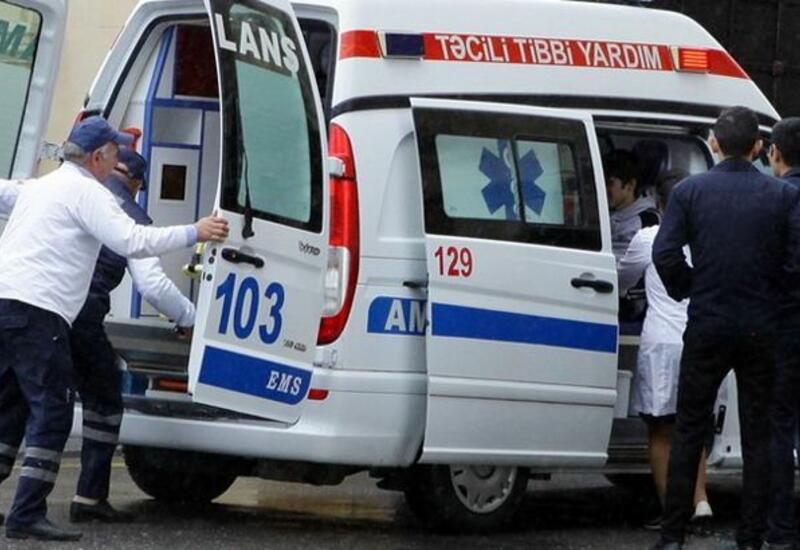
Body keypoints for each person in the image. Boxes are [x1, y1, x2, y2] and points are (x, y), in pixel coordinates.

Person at [0, 116, 228, 541]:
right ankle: (26, 514)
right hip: (40, 310)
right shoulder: (91, 193)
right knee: (52, 411)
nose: (115, 159)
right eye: (114, 152)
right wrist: (194, 232)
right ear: (98, 157)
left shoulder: (42, 186)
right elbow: (132, 242)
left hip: (5, 302)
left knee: (8, 403)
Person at [651, 106, 800, 550]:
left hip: (708, 322)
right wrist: (769, 292)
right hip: (761, 327)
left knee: (688, 430)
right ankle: (750, 536)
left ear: (714, 144)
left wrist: (691, 287)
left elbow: (665, 253)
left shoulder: (689, 192)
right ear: (758, 146)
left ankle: (672, 534)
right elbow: (795, 262)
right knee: (757, 434)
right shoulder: (781, 196)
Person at [67, 150, 195, 524]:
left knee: (19, 397)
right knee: (103, 401)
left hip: (37, 306)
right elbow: (152, 285)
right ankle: (89, 497)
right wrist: (190, 318)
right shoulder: (131, 216)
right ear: (137, 184)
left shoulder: (70, 193)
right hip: (82, 314)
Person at [618, 169, 711, 531]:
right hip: (700, 338)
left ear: (658, 204)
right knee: (693, 425)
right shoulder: (709, 238)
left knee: (661, 429)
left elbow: (621, 281)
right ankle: (700, 501)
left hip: (661, 343)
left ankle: (671, 510)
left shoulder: (648, 238)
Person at [765, 117, 800, 550]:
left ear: (774, 152)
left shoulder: (773, 198)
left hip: (783, 325)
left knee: (779, 427)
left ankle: (781, 529)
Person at [604, 149, 660, 262]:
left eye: (610, 183)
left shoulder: (647, 221)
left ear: (630, 185)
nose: (604, 189)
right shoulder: (605, 212)